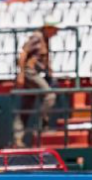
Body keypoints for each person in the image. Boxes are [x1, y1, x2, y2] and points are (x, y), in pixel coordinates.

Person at [13, 16, 59, 147]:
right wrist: (21, 74)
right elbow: (23, 54)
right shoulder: (37, 37)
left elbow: (42, 58)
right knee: (49, 96)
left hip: (35, 73)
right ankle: (41, 125)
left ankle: (17, 139)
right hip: (30, 73)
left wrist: (49, 71)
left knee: (27, 105)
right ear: (48, 28)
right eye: (54, 29)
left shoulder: (45, 39)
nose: (56, 32)